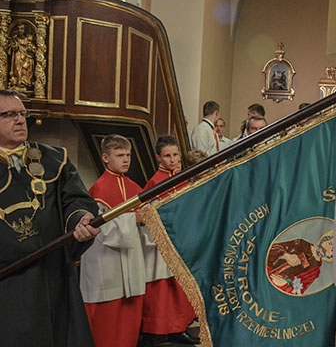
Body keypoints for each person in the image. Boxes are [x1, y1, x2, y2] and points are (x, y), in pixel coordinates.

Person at [0, 89, 100, 347]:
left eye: (22, 113)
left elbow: (76, 201)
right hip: (10, 284)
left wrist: (81, 219)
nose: (20, 120)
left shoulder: (55, 159)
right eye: (9, 115)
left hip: (55, 275)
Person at [80, 135, 146, 347]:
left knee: (129, 321)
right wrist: (134, 219)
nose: (126, 160)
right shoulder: (99, 190)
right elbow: (104, 230)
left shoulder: (135, 187)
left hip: (130, 261)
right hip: (106, 264)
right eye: (119, 155)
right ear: (105, 158)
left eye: (128, 155)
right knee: (107, 324)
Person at [139, 136, 198, 346]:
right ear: (158, 158)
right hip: (161, 243)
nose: (172, 160)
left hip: (182, 239)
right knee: (162, 290)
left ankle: (177, 327)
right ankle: (156, 331)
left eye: (175, 155)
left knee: (179, 287)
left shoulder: (182, 178)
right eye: (167, 156)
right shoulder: (155, 183)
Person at [266, 231, 336, 295]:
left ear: (331, 256)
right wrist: (286, 256)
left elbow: (300, 288)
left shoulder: (315, 270)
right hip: (266, 270)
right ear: (323, 240)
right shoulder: (301, 243)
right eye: (329, 243)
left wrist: (285, 284)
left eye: (332, 250)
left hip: (279, 283)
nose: (327, 248)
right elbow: (271, 249)